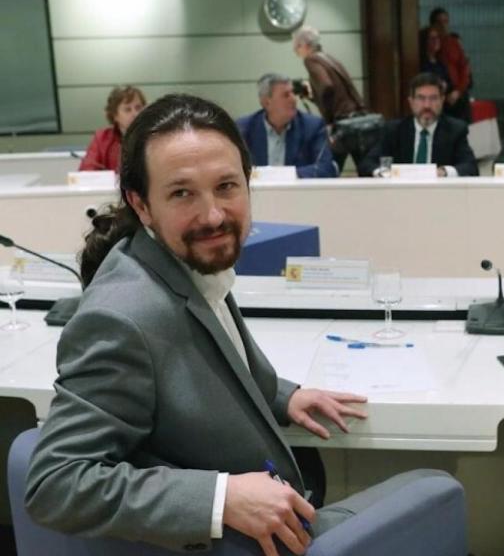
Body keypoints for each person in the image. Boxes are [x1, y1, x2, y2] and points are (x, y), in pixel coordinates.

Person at [25, 93, 454, 554]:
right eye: (182, 193)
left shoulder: (181, 263)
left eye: (227, 186)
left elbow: (208, 362)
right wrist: (219, 498)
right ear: (142, 204)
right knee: (434, 481)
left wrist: (283, 395)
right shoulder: (122, 317)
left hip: (269, 508)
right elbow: (54, 483)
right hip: (246, 538)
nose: (213, 216)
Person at [359, 72, 477, 177]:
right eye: (421, 98)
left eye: (433, 98)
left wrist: (444, 172)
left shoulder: (455, 130)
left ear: (442, 100)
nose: (427, 105)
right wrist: (383, 173)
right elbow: (367, 164)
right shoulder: (394, 130)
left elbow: (470, 167)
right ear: (411, 102)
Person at [292, 25, 368, 172]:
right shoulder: (328, 58)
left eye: (297, 47)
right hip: (356, 119)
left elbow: (327, 87)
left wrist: (328, 120)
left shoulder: (311, 60)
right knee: (364, 168)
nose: (295, 52)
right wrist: (313, 94)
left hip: (341, 123)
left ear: (305, 46)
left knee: (327, 168)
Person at [236, 73, 336, 179]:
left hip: (297, 193)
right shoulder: (244, 129)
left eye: (293, 93)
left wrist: (283, 176)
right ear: (266, 102)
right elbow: (234, 169)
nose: (293, 99)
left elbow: (326, 168)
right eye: (286, 95)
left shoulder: (312, 126)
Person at [79, 85, 146, 172]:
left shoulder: (153, 136)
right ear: (115, 115)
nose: (135, 114)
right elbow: (87, 170)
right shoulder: (102, 138)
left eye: (138, 108)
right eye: (127, 109)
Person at [429, 7, 472, 123]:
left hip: (458, 91)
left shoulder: (453, 43)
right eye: (439, 22)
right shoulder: (430, 43)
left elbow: (464, 68)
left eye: (445, 22)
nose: (443, 26)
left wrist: (458, 91)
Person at [420, 25, 452, 93]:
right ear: (424, 41)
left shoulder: (440, 62)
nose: (436, 40)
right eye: (432, 38)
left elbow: (449, 82)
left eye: (437, 38)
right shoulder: (421, 62)